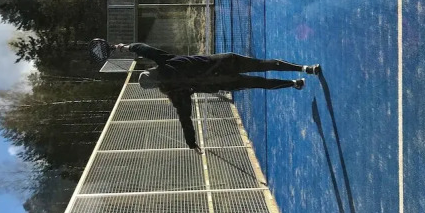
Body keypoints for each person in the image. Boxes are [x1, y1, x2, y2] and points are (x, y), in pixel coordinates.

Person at [115, 42, 321, 153]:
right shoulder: (166, 62)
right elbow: (143, 48)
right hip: (224, 63)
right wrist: (125, 47)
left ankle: (295, 82)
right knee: (263, 65)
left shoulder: (174, 92)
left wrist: (191, 142)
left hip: (223, 81)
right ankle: (304, 69)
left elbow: (185, 118)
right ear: (152, 72)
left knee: (259, 82)